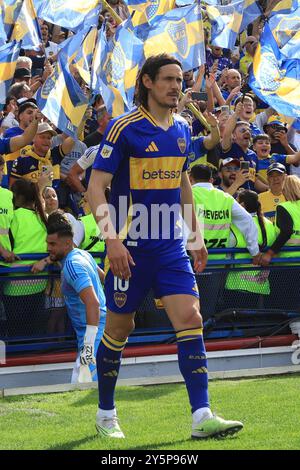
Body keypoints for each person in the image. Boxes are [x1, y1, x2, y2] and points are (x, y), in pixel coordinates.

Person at [88, 54, 243, 439]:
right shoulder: (124, 128)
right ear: (146, 82)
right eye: (168, 80)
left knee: (190, 318)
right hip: (130, 246)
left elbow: (182, 182)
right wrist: (112, 242)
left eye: (179, 80)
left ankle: (201, 415)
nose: (176, 87)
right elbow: (95, 187)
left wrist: (195, 236)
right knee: (120, 330)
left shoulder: (182, 127)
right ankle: (106, 412)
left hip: (169, 245)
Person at [189, 164, 260, 320]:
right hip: (218, 264)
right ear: (211, 179)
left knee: (189, 308)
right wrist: (255, 251)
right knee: (207, 309)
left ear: (190, 178)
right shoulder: (224, 197)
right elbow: (248, 220)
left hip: (193, 261)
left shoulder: (189, 194)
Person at [46, 211, 106, 383]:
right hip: (98, 332)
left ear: (67, 243)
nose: (48, 248)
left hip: (94, 337)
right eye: (48, 243)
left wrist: (88, 346)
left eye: (53, 244)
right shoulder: (83, 254)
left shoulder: (73, 266)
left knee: (84, 388)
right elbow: (104, 279)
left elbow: (93, 303)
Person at [3, 179, 48, 337]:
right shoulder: (43, 217)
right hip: (40, 282)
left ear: (19, 197)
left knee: (17, 334)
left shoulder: (13, 217)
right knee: (33, 332)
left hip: (14, 286)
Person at [224, 189, 277, 309]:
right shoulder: (269, 223)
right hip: (260, 284)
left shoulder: (234, 223)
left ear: (241, 205)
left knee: (235, 322)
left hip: (236, 284)